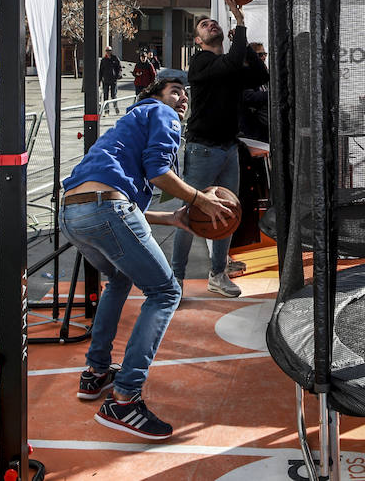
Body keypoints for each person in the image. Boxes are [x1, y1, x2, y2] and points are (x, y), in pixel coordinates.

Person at [59, 77, 235, 440]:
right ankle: (124, 399)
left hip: (72, 213)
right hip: (105, 209)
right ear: (155, 96)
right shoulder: (162, 113)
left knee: (120, 279)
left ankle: (95, 374)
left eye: (186, 93)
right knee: (166, 292)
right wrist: (200, 200)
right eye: (175, 91)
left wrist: (171, 218)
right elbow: (158, 172)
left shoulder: (127, 127)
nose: (182, 97)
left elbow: (122, 204)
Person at [171, 0, 269, 297]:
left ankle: (218, 274)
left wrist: (245, 44)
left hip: (228, 148)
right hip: (203, 149)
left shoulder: (229, 65)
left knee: (228, 212)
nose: (211, 24)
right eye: (204, 25)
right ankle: (175, 278)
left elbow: (261, 76)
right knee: (189, 213)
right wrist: (239, 24)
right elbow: (230, 61)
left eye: (213, 22)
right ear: (198, 41)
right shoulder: (201, 61)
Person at [239, 42, 270, 142]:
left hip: (266, 132)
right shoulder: (245, 75)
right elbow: (248, 96)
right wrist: (273, 95)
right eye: (260, 55)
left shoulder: (266, 73)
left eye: (265, 54)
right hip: (253, 135)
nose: (263, 58)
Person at [99, 46, 122, 115]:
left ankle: (116, 108)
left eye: (109, 50)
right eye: (107, 51)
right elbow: (101, 71)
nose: (108, 52)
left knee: (113, 95)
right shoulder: (103, 60)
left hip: (113, 80)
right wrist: (99, 80)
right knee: (105, 96)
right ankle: (106, 111)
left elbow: (119, 68)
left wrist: (118, 75)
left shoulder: (115, 58)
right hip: (105, 80)